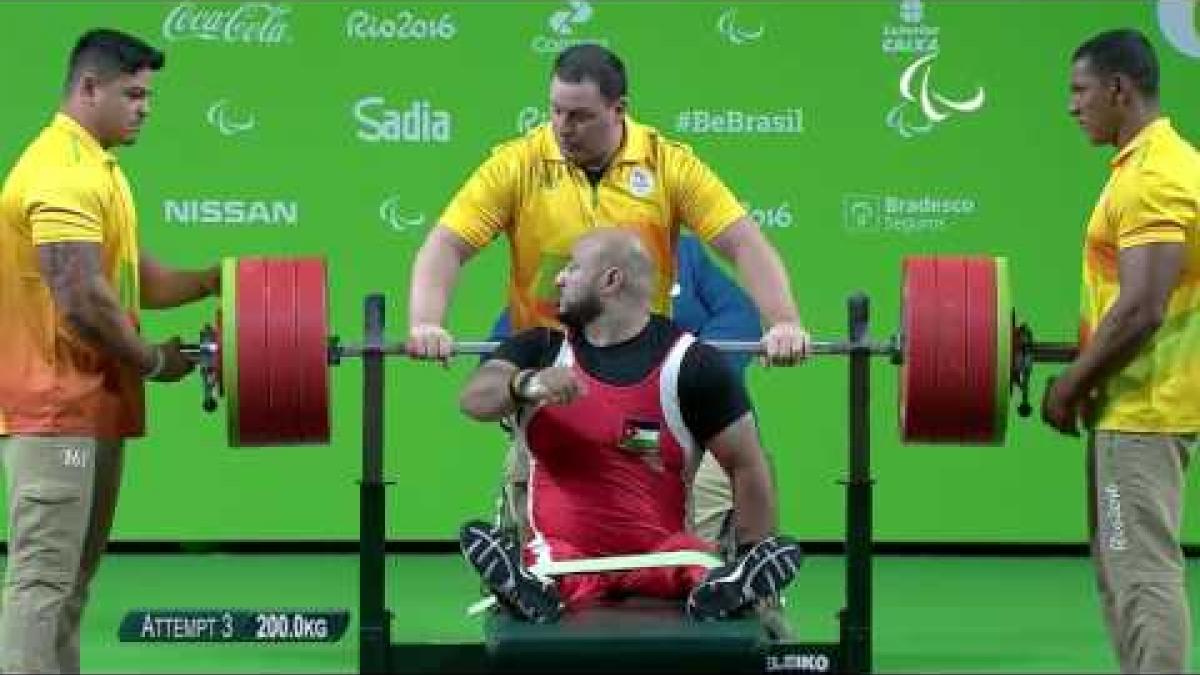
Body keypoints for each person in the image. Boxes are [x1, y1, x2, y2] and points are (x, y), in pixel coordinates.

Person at [0, 29, 219, 673]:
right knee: (42, 585)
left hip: (93, 408)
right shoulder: (59, 172)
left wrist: (220, 280)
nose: (145, 107)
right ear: (88, 88)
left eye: (148, 95)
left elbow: (138, 284)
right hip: (54, 411)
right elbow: (80, 297)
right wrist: (152, 360)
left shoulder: (101, 171)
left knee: (69, 588)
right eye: (133, 94)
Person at [457, 229, 802, 623]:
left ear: (610, 280)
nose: (559, 278)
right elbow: (475, 398)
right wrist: (528, 384)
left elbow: (747, 463)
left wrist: (751, 549)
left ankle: (736, 581)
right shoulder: (540, 347)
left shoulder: (692, 365)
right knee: (543, 573)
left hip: (662, 554)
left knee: (700, 569)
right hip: (565, 558)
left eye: (572, 268)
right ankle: (524, 587)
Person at [1043, 28, 1200, 674]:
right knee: (1123, 566)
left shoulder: (1157, 174)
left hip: (1143, 410)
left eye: (1080, 91)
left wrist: (1071, 382)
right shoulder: (1148, 164)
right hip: (1132, 407)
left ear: (1118, 88)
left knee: (1141, 572)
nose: (1073, 106)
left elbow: (1141, 307)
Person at [487, 232, 762, 551]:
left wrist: (683, 385)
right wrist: (526, 384)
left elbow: (739, 318)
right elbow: (502, 352)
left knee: (690, 555)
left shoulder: (686, 255)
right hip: (563, 444)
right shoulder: (567, 266)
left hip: (669, 438)